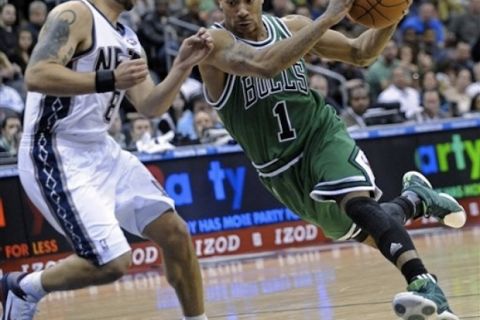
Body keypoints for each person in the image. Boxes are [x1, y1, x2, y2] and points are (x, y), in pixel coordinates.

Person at [197, 0, 466, 319]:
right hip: (279, 171)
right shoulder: (214, 44)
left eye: (247, 1)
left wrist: (394, 15)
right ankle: (414, 200)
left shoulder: (292, 26)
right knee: (365, 227)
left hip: (320, 134)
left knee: (355, 204)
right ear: (218, 4)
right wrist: (328, 17)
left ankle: (422, 282)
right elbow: (264, 63)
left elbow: (360, 53)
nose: (241, 10)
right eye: (231, 2)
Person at [0, 0, 213, 319]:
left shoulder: (127, 37)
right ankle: (23, 287)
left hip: (101, 148)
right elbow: (37, 74)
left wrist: (181, 66)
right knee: (112, 262)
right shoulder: (75, 13)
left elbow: (150, 106)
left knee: (176, 234)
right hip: (55, 148)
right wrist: (108, 79)